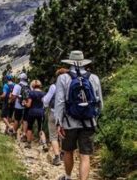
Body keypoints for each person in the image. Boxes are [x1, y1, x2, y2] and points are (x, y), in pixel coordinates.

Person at [55, 51, 103, 180]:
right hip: (89, 121)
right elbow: (100, 103)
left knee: (68, 150)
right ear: (83, 62)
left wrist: (58, 123)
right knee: (85, 155)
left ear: (69, 62)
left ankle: (68, 176)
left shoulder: (63, 78)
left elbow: (59, 102)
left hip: (69, 122)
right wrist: (94, 117)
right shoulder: (94, 78)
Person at [43, 68, 68, 166]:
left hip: (54, 112)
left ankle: (57, 157)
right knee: (64, 134)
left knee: (53, 135)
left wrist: (45, 106)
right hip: (67, 114)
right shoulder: (70, 85)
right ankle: (63, 153)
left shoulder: (54, 86)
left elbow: (46, 100)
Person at [24, 79, 48, 151]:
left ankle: (28, 143)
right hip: (41, 112)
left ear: (33, 85)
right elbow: (45, 104)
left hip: (32, 112)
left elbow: (29, 105)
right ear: (40, 85)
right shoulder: (44, 93)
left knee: (30, 127)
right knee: (41, 129)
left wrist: (25, 103)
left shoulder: (31, 93)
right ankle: (44, 144)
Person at [10, 72, 29, 141]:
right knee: (25, 120)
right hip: (26, 106)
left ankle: (14, 132)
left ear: (20, 79)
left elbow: (14, 96)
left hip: (18, 106)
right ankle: (24, 135)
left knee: (16, 119)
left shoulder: (17, 86)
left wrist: (11, 101)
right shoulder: (28, 86)